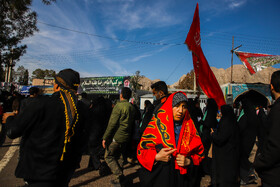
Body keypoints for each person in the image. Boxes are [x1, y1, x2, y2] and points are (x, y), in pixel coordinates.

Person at [3, 69, 89, 187]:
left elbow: (12, 131)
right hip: (64, 173)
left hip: (38, 173)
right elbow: (83, 142)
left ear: (57, 87)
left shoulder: (39, 103)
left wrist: (8, 119)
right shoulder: (83, 109)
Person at [137, 92, 204, 187]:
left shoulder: (190, 126)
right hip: (162, 177)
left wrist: (189, 161)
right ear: (169, 106)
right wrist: (156, 157)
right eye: (176, 106)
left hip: (183, 179)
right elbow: (142, 150)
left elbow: (199, 153)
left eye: (184, 107)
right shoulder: (156, 124)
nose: (180, 110)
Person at [102, 87, 136, 186]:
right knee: (120, 157)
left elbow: (112, 124)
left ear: (121, 95)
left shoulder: (118, 106)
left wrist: (105, 137)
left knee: (108, 156)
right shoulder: (132, 107)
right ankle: (119, 181)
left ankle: (119, 176)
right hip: (126, 137)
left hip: (116, 137)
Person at [254, 70, 280, 187]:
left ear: (272, 86)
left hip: (274, 175)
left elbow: (274, 146)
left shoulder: (277, 111)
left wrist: (259, 163)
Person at [211, 105, 240, 187]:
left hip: (225, 154)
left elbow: (221, 138)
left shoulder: (225, 122)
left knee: (224, 176)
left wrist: (213, 134)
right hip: (232, 152)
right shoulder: (233, 120)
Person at [238, 98, 258, 184]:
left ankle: (246, 176)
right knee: (244, 158)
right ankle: (249, 173)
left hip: (244, 141)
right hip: (250, 140)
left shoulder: (245, 116)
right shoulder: (252, 115)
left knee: (242, 159)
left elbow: (240, 128)